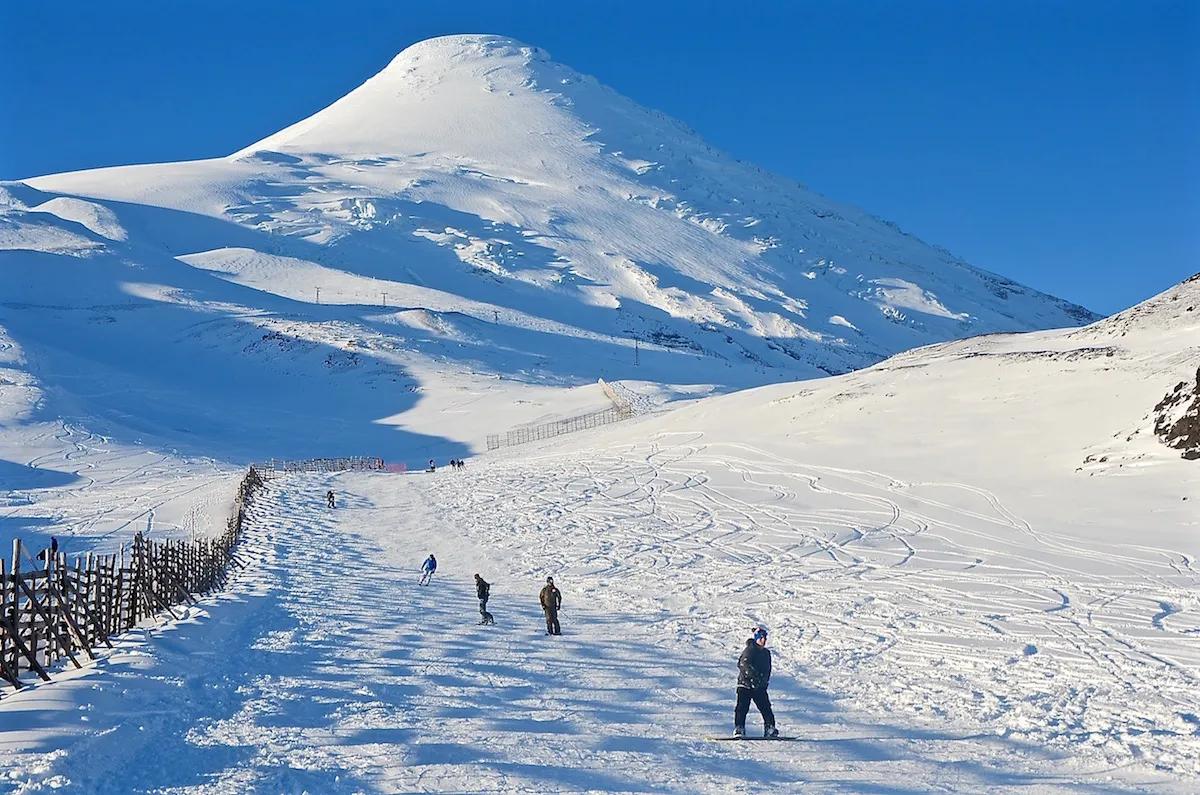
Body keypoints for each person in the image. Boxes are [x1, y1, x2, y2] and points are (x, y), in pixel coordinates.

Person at [734, 623, 778, 738]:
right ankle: (739, 728)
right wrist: (753, 677)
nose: (763, 640)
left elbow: (768, 669)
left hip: (759, 686)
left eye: (765, 638)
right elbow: (743, 664)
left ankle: (770, 728)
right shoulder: (750, 649)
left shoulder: (766, 653)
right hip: (745, 685)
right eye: (761, 638)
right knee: (742, 707)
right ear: (757, 638)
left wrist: (763, 682)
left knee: (766, 708)